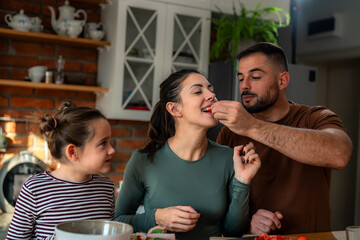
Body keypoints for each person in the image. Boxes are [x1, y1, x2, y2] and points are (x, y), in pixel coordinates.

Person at [212, 42, 353, 235]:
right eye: (241, 78)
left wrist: (252, 127)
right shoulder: (229, 133)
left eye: (255, 77)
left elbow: (339, 154)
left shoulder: (315, 118)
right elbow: (220, 205)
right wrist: (247, 223)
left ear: (282, 81)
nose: (245, 85)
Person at [115, 69, 261, 240]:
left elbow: (232, 232)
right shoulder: (144, 160)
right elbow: (118, 222)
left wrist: (243, 181)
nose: (211, 95)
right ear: (175, 109)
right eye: (198, 91)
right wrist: (156, 217)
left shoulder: (229, 158)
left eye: (210, 89)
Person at [6, 100, 116, 240]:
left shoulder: (106, 187)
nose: (112, 150)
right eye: (103, 143)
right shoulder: (35, 189)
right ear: (73, 152)